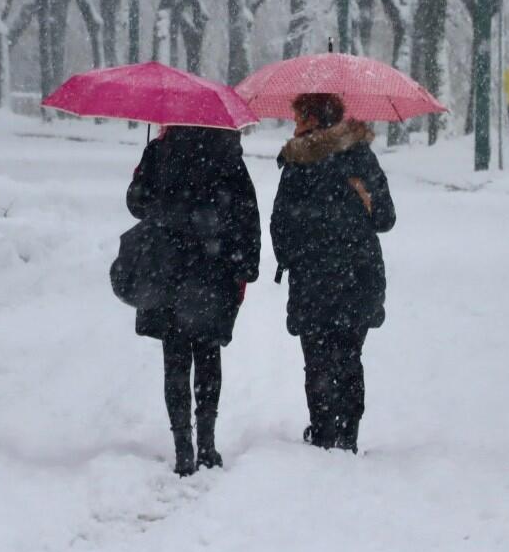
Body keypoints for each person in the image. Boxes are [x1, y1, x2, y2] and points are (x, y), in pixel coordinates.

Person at [126, 126, 260, 476]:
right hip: (212, 271)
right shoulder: (226, 155)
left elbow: (136, 204)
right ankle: (208, 444)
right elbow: (247, 214)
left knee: (175, 358)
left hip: (167, 270)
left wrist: (142, 177)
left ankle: (183, 447)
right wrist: (246, 265)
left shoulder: (160, 150)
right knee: (207, 354)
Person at [269, 93, 395, 453]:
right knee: (349, 354)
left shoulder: (297, 162)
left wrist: (295, 256)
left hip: (312, 278)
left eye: (297, 116)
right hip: (359, 274)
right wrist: (364, 201)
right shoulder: (361, 157)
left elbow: (280, 224)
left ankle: (323, 429)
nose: (294, 124)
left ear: (311, 118)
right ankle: (348, 432)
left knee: (318, 357)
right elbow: (385, 219)